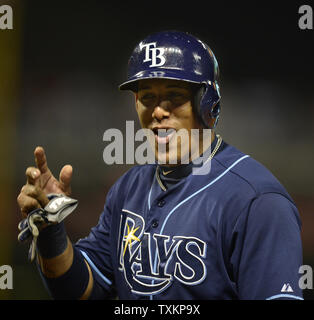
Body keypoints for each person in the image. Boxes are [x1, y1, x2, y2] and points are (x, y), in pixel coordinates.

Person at [17, 31, 303, 300]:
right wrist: (51, 231)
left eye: (174, 96)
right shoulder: (128, 189)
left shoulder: (258, 202)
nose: (157, 111)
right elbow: (82, 288)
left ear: (208, 104)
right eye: (147, 97)